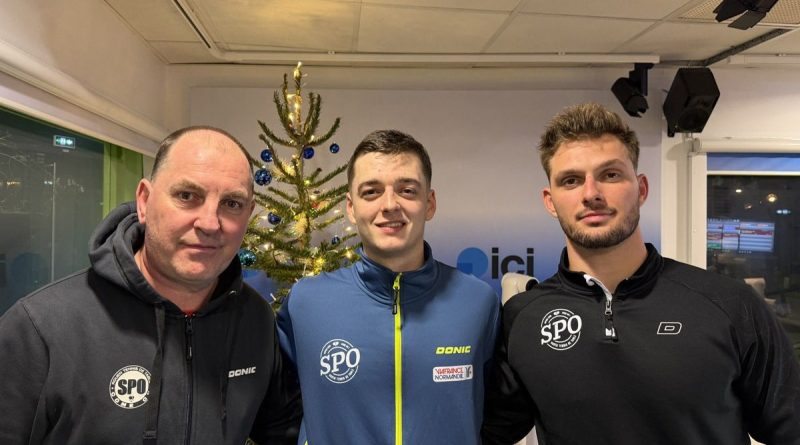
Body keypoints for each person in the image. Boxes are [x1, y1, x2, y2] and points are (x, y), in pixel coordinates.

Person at [481, 103, 800, 445]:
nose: (591, 194)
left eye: (611, 175)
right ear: (550, 200)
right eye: (571, 181)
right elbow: (479, 430)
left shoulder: (730, 305)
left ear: (642, 189)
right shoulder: (522, 318)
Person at [0, 126, 301, 444]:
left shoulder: (254, 318)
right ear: (144, 201)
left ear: (249, 214)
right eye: (187, 196)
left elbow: (280, 431)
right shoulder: (41, 328)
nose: (210, 223)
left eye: (232, 204)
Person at [277, 129, 500, 444]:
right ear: (351, 208)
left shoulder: (478, 302)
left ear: (430, 203)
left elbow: (498, 415)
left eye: (407, 190)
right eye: (371, 192)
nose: (390, 205)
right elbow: (274, 409)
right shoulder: (307, 303)